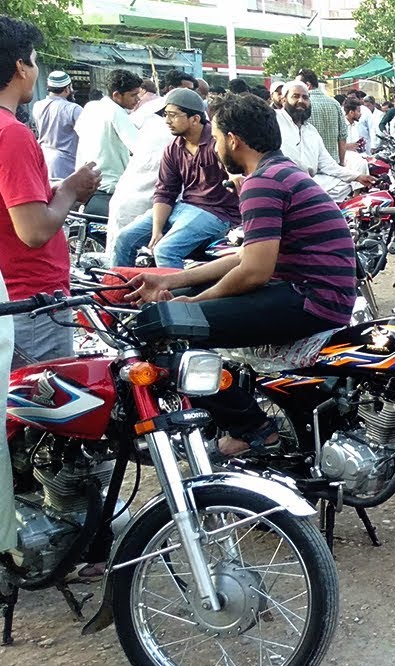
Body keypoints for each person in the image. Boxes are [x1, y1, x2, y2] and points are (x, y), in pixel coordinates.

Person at [125, 93, 357, 457]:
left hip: (310, 299)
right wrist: (170, 280)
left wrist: (192, 303)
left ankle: (253, 430)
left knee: (173, 333)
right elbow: (246, 255)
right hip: (316, 293)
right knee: (185, 311)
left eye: (216, 138)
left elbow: (253, 272)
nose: (215, 147)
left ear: (233, 139)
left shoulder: (262, 182)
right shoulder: (281, 172)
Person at [1, 16, 102, 368]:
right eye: (34, 59)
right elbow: (34, 230)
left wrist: (58, 190)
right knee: (45, 414)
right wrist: (72, 188)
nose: (36, 67)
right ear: (20, 66)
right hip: (30, 301)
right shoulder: (11, 134)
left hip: (12, 297)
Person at [111, 88, 240, 268]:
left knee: (165, 250)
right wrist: (157, 230)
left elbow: (235, 170)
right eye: (165, 115)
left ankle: (171, 296)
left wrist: (234, 176)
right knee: (124, 239)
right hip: (184, 207)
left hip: (217, 213)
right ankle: (119, 292)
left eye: (172, 115)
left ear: (195, 119)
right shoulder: (173, 148)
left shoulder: (215, 140)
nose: (167, 121)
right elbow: (165, 191)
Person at [276, 81, 375, 201]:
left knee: (346, 185)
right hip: (280, 185)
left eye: (305, 97)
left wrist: (357, 176)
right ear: (284, 100)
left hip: (307, 183)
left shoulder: (311, 131)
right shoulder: (274, 121)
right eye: (295, 96)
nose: (301, 101)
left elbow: (328, 164)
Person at [74, 68, 142, 215]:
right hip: (110, 189)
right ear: (116, 95)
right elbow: (140, 148)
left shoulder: (90, 107)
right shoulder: (116, 112)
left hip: (88, 186)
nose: (138, 99)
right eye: (133, 95)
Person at [31, 70, 79, 179]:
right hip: (66, 164)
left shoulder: (37, 106)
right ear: (67, 89)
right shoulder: (73, 109)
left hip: (43, 161)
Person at [296, 68, 344, 164]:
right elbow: (342, 136)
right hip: (334, 165)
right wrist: (341, 163)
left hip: (311, 166)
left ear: (308, 85)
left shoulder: (302, 106)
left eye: (298, 85)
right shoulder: (335, 104)